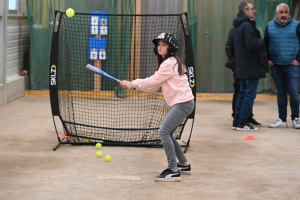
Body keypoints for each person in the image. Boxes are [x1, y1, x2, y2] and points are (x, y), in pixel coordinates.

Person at [120, 33, 195, 182]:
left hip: (183, 104)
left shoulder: (169, 63)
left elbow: (152, 81)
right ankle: (184, 163)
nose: (159, 47)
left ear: (171, 48)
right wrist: (133, 86)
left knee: (164, 131)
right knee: (168, 132)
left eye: (164, 44)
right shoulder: (171, 63)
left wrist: (133, 83)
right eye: (158, 44)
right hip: (184, 103)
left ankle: (173, 170)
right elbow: (153, 86)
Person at [232, 1, 267, 131]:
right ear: (246, 11)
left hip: (242, 66)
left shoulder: (238, 25)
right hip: (250, 66)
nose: (255, 11)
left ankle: (237, 121)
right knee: (249, 95)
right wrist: (263, 40)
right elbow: (252, 45)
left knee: (242, 93)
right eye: (252, 9)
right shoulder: (247, 25)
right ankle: (243, 122)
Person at [264, 3, 300, 129]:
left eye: (286, 12)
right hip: (276, 66)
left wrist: (298, 60)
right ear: (276, 14)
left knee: (294, 92)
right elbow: (265, 44)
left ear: (288, 13)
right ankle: (282, 119)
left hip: (292, 66)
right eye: (281, 12)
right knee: (281, 93)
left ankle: (296, 118)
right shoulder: (269, 26)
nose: (284, 15)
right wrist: (268, 59)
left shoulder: (297, 25)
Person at [225, 27, 262, 128]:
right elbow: (229, 48)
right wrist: (234, 65)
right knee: (240, 92)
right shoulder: (234, 31)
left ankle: (247, 116)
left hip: (248, 66)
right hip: (239, 67)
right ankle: (237, 118)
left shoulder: (251, 29)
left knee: (245, 92)